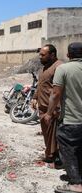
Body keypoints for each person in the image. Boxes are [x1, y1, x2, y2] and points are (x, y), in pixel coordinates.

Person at [42, 42, 82, 193]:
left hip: (72, 120)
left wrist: (49, 112)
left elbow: (56, 93)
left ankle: (76, 184)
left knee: (68, 149)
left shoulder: (63, 69)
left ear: (68, 55)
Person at [31, 44, 63, 168]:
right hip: (43, 107)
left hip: (52, 108)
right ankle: (49, 155)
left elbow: (58, 90)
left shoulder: (58, 67)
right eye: (40, 54)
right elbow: (41, 84)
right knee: (47, 134)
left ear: (52, 55)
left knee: (54, 136)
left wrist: (54, 109)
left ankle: (56, 159)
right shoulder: (45, 67)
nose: (40, 57)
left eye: (43, 55)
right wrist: (35, 97)